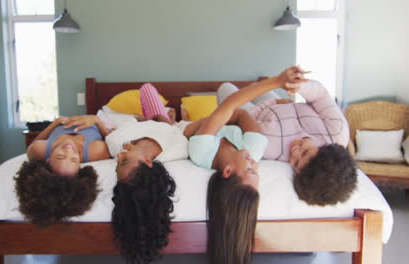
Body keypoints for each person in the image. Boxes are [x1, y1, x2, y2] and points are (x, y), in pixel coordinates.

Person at [188, 66, 306, 264]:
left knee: (226, 88)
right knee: (265, 102)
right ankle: (266, 92)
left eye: (250, 169)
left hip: (247, 111)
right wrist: (214, 120)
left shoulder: (201, 153)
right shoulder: (254, 149)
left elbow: (234, 106)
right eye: (256, 170)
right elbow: (241, 113)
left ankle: (261, 87)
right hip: (270, 113)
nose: (255, 163)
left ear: (228, 171)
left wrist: (278, 80)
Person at [218, 78, 357, 206]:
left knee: (225, 88)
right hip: (288, 107)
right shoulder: (337, 130)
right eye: (305, 151)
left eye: (295, 163)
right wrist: (298, 86)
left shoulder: (269, 144)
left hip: (265, 115)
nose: (295, 151)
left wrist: (272, 103)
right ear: (324, 148)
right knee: (259, 85)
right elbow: (320, 95)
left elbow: (241, 118)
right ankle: (261, 86)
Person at [107, 83, 189, 264]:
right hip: (168, 124)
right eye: (124, 161)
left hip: (145, 121)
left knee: (146, 91)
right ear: (148, 162)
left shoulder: (115, 142)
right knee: (148, 92)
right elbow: (175, 131)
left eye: (118, 163)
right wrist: (165, 120)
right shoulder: (178, 149)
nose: (119, 156)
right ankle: (168, 115)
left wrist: (140, 128)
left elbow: (122, 129)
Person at [15, 115, 111, 226]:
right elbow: (114, 142)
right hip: (93, 119)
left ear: (48, 160)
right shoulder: (96, 151)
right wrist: (97, 121)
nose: (69, 150)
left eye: (60, 157)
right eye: (74, 159)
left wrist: (55, 123)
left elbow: (32, 145)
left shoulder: (39, 151)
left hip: (62, 121)